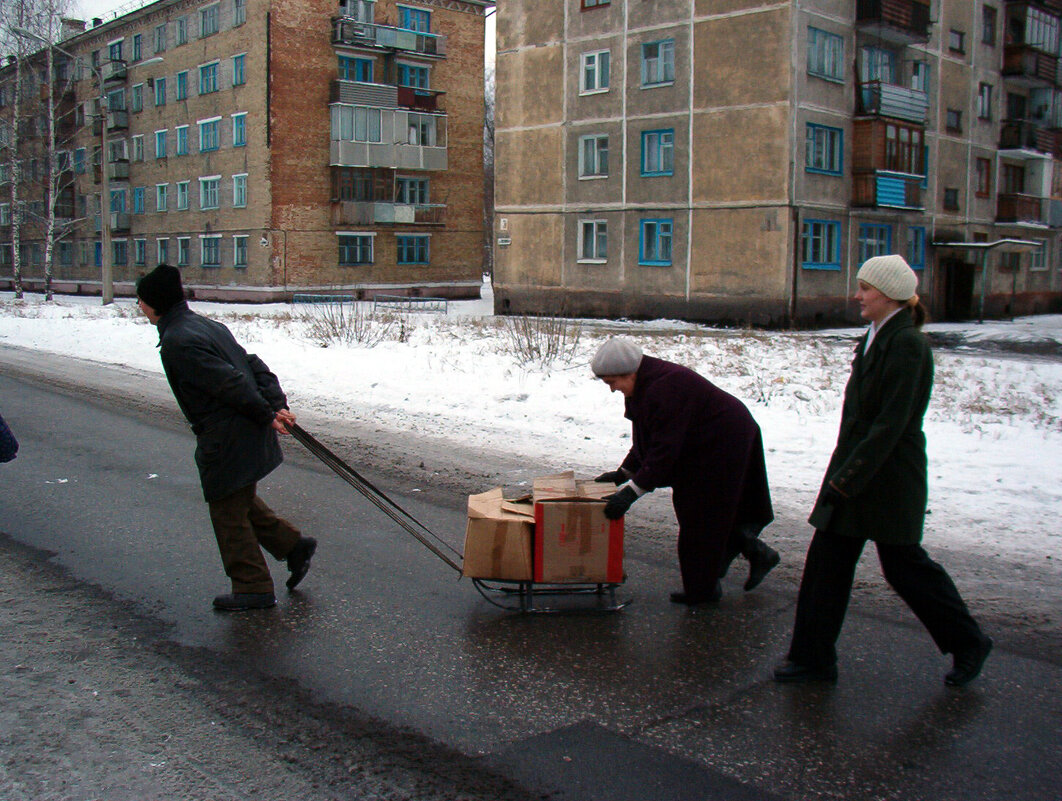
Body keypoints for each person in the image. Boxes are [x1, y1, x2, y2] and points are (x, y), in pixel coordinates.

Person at [774, 255, 992, 687]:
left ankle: (968, 642)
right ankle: (814, 658)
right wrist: (845, 472)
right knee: (826, 563)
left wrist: (845, 478)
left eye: (866, 289)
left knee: (904, 566)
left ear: (889, 294)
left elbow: (891, 425)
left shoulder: (908, 344)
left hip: (889, 475)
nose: (858, 296)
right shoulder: (874, 336)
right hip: (857, 468)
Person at [136, 264, 316, 612]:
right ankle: (293, 547)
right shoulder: (205, 326)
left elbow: (230, 383)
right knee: (237, 498)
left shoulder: (179, 340)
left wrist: (270, 412)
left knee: (227, 511)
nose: (139, 307)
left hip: (227, 437)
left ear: (155, 302)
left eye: (141, 301)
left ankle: (253, 587)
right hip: (241, 430)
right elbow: (252, 364)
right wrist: (274, 405)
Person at [592, 337, 779, 604]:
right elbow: (648, 439)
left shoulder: (665, 388)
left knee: (701, 512)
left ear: (629, 372)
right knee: (702, 513)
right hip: (701, 441)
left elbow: (664, 451)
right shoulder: (641, 387)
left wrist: (630, 494)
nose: (612, 390)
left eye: (612, 383)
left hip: (724, 440)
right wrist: (624, 473)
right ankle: (751, 556)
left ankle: (704, 591)